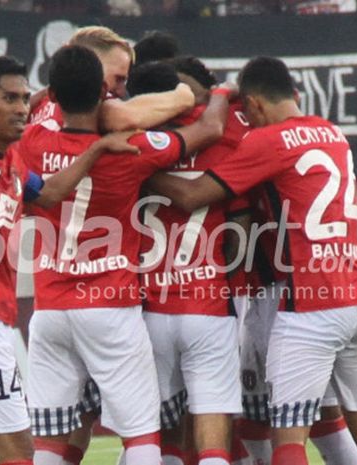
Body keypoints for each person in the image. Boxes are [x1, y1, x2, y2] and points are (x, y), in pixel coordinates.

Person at [147, 56, 357, 465]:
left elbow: (193, 196)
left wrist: (134, 168)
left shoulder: (267, 141)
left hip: (310, 305)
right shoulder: (332, 133)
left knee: (288, 441)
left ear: (253, 105)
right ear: (295, 95)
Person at [0, 33, 138, 465]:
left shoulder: (15, 162)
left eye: (24, 98)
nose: (21, 108)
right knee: (20, 448)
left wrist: (95, 150)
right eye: (9, 99)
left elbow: (52, 193)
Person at [17, 45, 231, 465]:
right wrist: (218, 93)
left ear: (54, 96)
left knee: (48, 440)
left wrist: (46, 96)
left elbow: (36, 114)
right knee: (141, 435)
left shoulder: (32, 140)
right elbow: (206, 132)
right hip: (110, 308)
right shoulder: (131, 148)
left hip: (50, 309)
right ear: (103, 92)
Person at [125, 57, 249, 465]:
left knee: (153, 431)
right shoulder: (223, 134)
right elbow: (239, 234)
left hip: (149, 308)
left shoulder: (129, 138)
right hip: (209, 304)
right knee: (212, 420)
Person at [28, 25, 194, 132]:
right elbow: (122, 118)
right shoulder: (93, 102)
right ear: (92, 63)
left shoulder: (41, 101)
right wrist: (183, 95)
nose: (121, 91)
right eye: (118, 79)